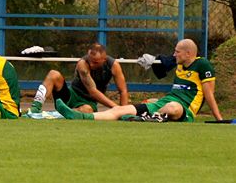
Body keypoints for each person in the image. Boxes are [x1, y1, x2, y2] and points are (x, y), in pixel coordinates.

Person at [57, 39, 224, 122]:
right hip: (164, 102)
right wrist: (151, 60)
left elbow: (209, 93)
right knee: (121, 110)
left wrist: (219, 119)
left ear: (188, 54)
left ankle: (149, 117)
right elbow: (162, 63)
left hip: (184, 110)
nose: (174, 54)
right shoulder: (178, 61)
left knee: (173, 107)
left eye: (177, 52)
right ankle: (80, 117)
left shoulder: (203, 65)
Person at [27, 43, 129, 115]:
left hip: (87, 103)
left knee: (87, 110)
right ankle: (35, 108)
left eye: (96, 62)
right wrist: (116, 108)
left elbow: (123, 90)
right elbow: (93, 91)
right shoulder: (82, 64)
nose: (92, 64)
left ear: (104, 59)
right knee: (53, 74)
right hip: (71, 96)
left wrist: (124, 112)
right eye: (90, 60)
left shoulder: (114, 65)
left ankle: (61, 114)